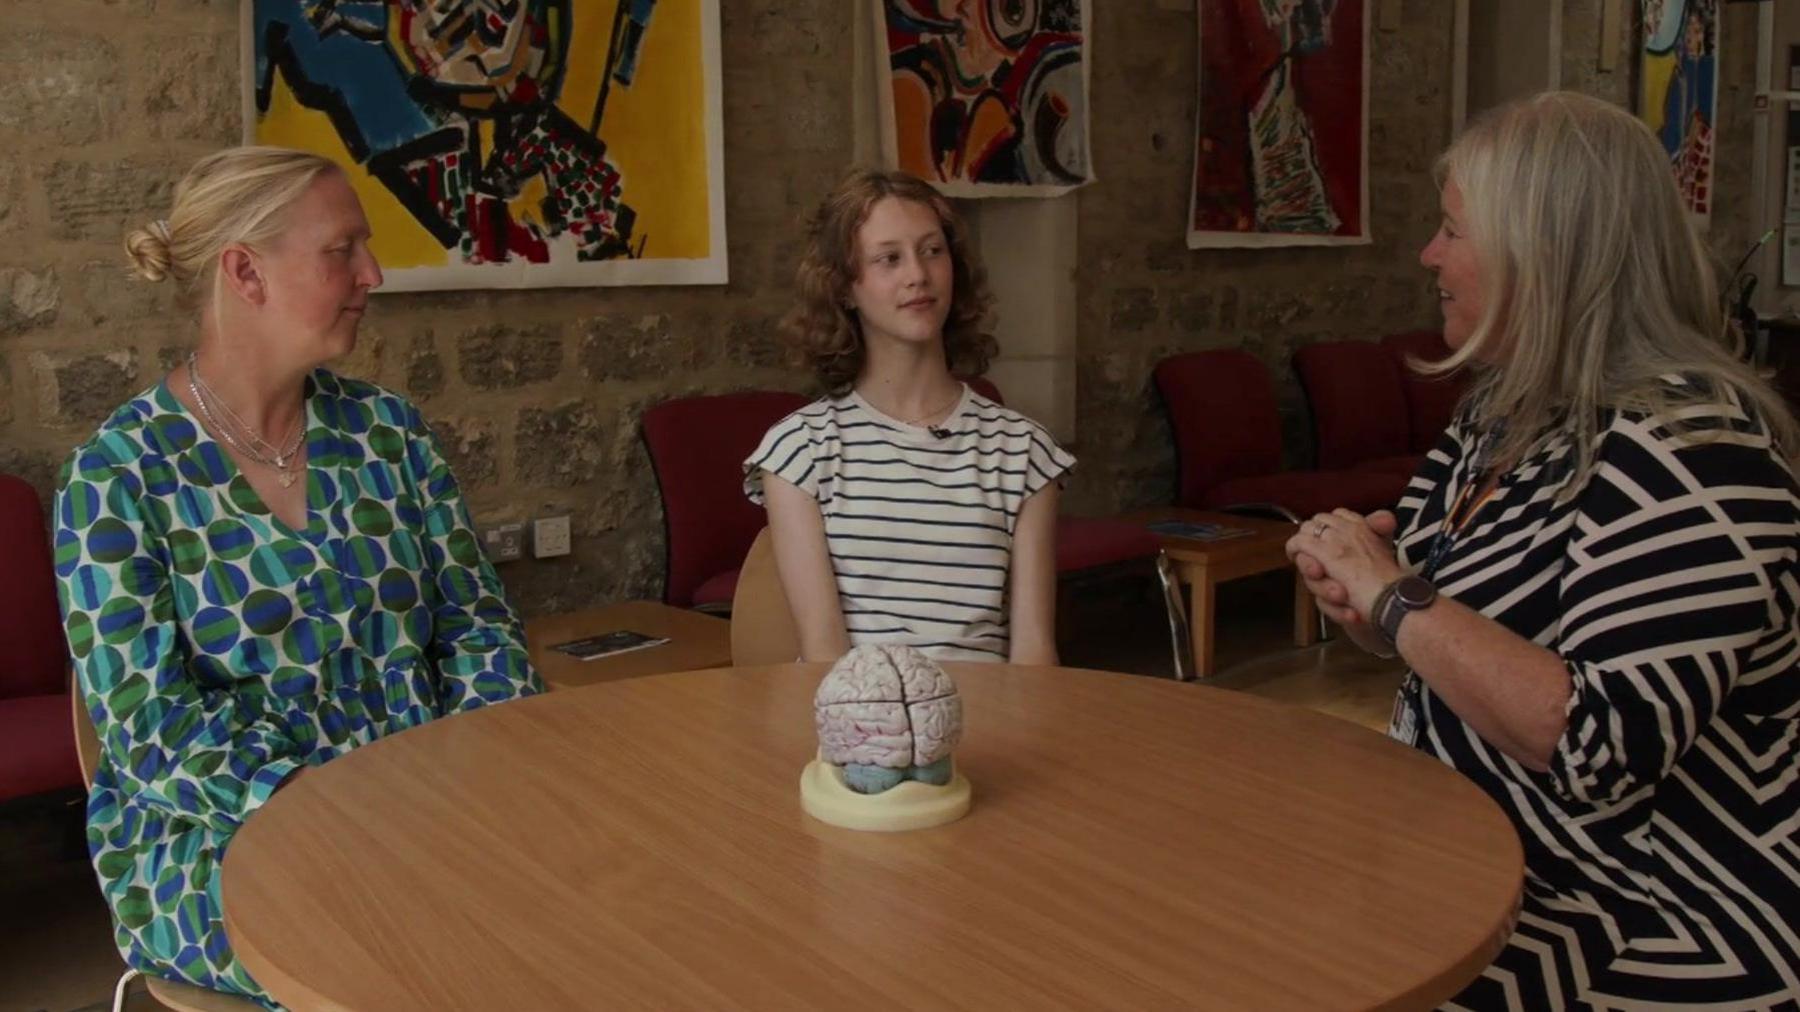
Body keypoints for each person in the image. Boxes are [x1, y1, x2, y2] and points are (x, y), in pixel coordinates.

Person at [1287, 91, 1800, 1008]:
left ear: (1546, 255)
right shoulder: (1502, 410)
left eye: (1454, 232)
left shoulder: (1693, 447)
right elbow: (1437, 619)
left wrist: (1398, 599)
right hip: (1475, 859)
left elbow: (1598, 748)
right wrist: (1366, 608)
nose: (1429, 257)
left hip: (1643, 915)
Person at [55, 147, 542, 1003]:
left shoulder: (389, 435)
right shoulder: (118, 478)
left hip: (428, 804)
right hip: (224, 839)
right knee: (414, 948)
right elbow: (151, 727)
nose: (373, 272)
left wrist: (481, 775)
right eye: (341, 249)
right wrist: (328, 813)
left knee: (586, 897)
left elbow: (478, 627)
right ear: (246, 272)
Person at [743, 169, 1073, 664]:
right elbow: (822, 655)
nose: (917, 274)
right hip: (859, 724)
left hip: (992, 723)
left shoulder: (1023, 449)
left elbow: (1034, 655)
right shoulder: (799, 450)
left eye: (932, 250)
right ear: (845, 289)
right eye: (888, 259)